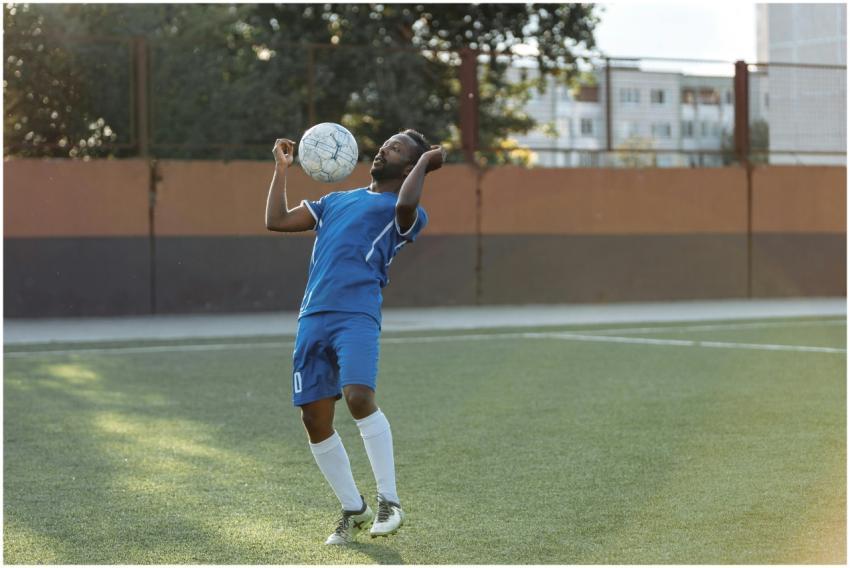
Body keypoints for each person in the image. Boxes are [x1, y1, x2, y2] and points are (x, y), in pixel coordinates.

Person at [265, 129, 444, 545]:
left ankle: (390, 502)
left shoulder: (405, 211)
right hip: (312, 316)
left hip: (356, 314)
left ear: (410, 165)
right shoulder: (334, 201)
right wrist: (280, 170)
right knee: (313, 417)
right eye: (386, 144)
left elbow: (406, 203)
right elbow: (275, 220)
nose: (384, 149)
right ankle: (353, 509)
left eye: (397, 148)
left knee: (359, 397)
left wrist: (425, 165)